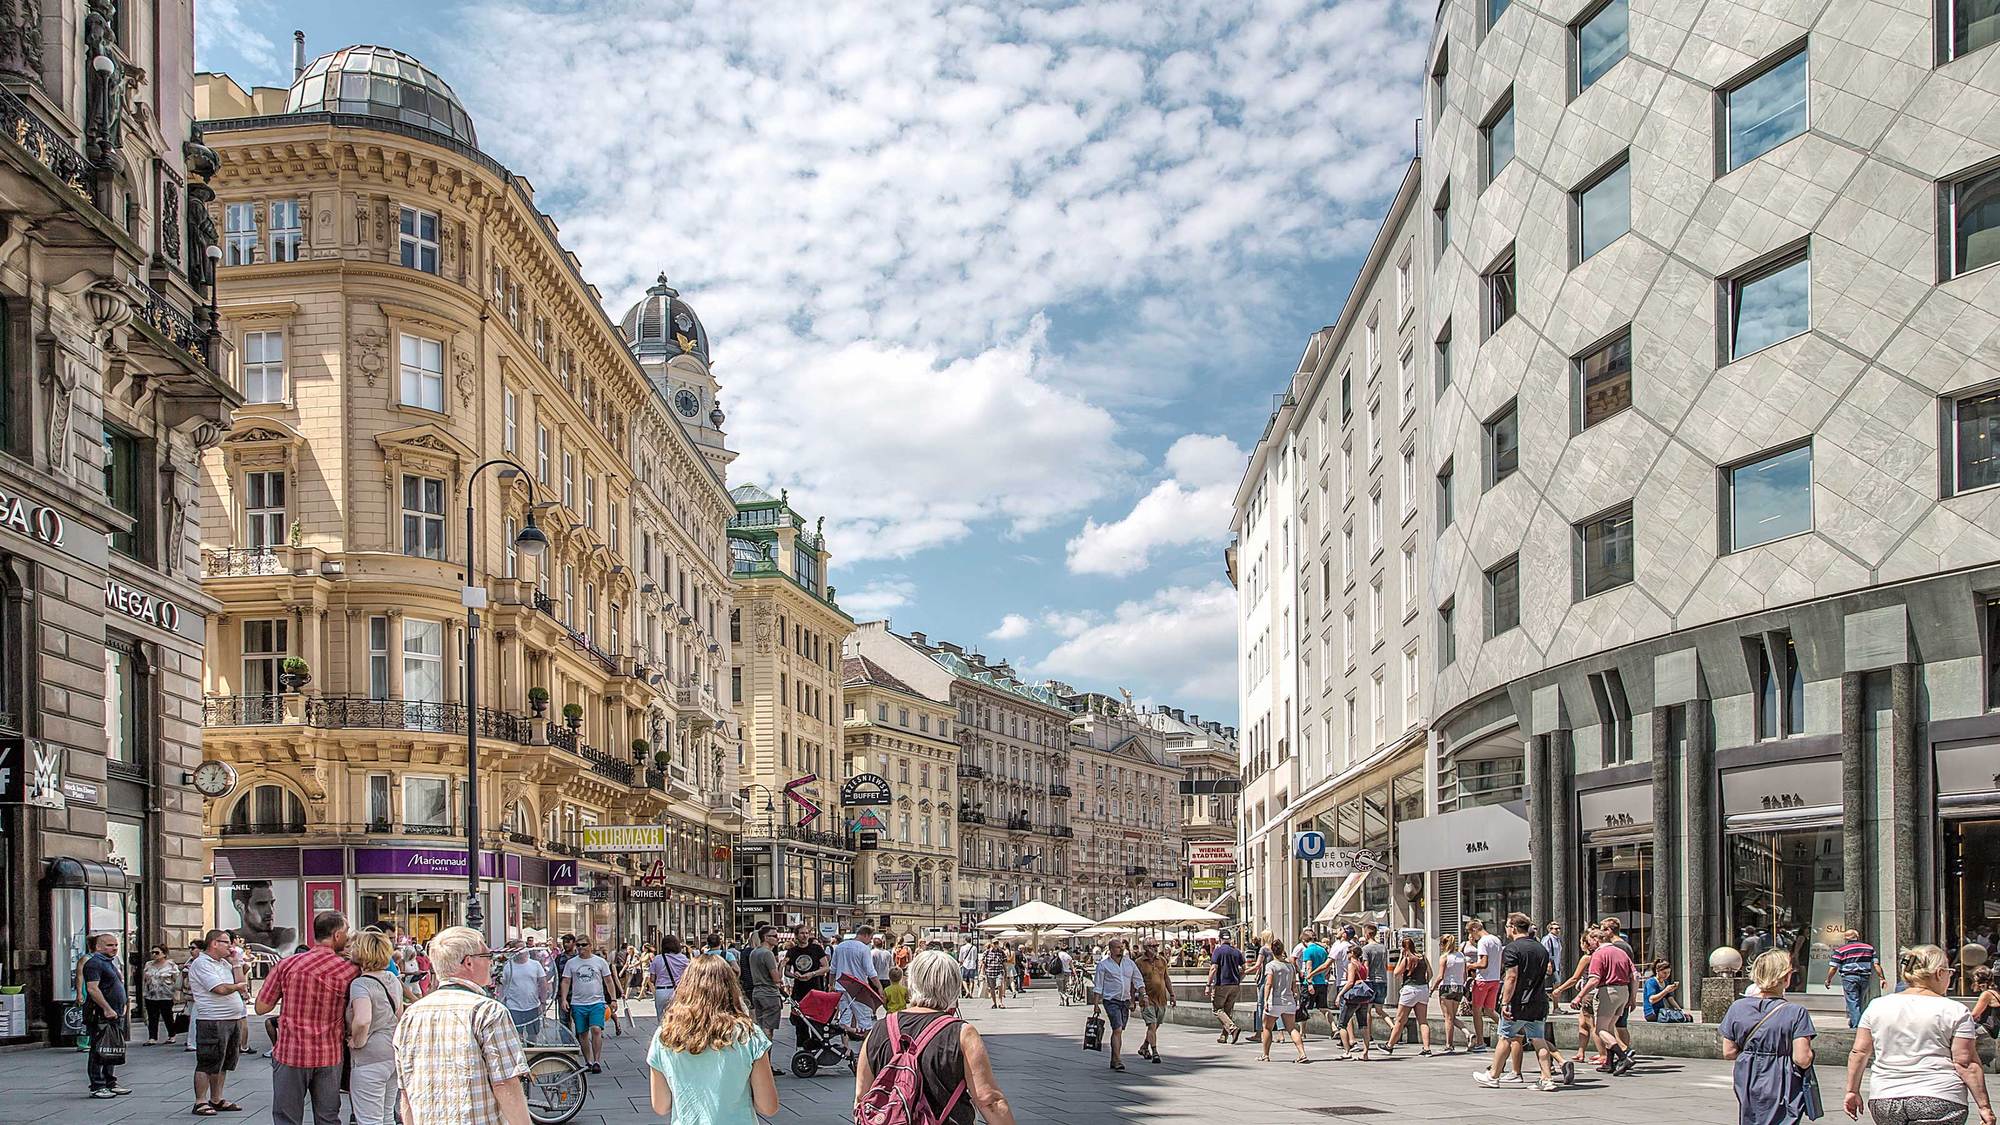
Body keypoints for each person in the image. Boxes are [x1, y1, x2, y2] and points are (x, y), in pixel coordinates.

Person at [854, 951, 1016, 1125]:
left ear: (911, 982)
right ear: (954, 985)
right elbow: (988, 1100)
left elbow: (862, 1097)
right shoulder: (962, 1033)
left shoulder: (878, 1029)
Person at [1842, 945, 1994, 1125]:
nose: (1950, 976)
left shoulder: (1876, 1006)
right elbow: (1965, 1063)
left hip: (1885, 1097)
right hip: (1939, 1096)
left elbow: (1859, 1052)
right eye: (1949, 972)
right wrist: (1984, 1106)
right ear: (1939, 973)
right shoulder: (1956, 1011)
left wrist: (1852, 1090)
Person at [393, 925, 530, 1125]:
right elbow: (506, 1083)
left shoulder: (411, 1015)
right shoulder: (488, 1011)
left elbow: (406, 1093)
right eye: (487, 956)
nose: (491, 963)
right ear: (468, 962)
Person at [642, 954, 780, 1124]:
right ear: (730, 987)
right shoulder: (749, 1035)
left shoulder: (666, 1035)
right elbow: (768, 1107)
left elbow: (661, 1106)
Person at [256, 910, 359, 1125]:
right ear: (337, 935)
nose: (348, 936)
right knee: (328, 1117)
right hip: (329, 1053)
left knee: (286, 1118)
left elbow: (261, 1007)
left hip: (290, 1052)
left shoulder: (286, 965)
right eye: (346, 932)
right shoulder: (350, 970)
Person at [1721, 950, 1817, 1125]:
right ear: (1785, 977)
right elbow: (1802, 1058)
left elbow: (1728, 1052)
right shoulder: (1796, 1012)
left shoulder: (1737, 1007)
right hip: (1782, 1077)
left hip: (1748, 1076)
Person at [1477, 912, 1567, 1091]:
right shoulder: (1541, 948)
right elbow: (1548, 971)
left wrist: (1504, 1002)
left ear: (1513, 928)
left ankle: (1493, 1075)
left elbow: (1511, 977)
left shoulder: (1512, 948)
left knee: (1505, 1037)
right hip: (1539, 1000)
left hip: (1518, 1002)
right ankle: (1547, 1078)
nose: (1506, 929)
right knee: (1538, 1039)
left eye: (1507, 926)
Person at [188, 929, 249, 1116]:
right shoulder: (201, 963)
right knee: (208, 1062)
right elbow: (220, 989)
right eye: (226, 943)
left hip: (231, 1019)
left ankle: (216, 1098)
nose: (231, 947)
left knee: (224, 1063)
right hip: (212, 1020)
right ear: (214, 943)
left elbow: (241, 983)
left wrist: (237, 963)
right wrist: (239, 987)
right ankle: (200, 1101)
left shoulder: (223, 963)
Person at [345, 930, 403, 1125]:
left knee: (369, 1119)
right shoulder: (392, 978)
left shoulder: (361, 984)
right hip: (391, 1052)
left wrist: (357, 1041)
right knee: (387, 1116)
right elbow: (399, 1015)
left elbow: (362, 1020)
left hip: (369, 1057)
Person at [1574, 923, 1638, 1075]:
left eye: (1590, 941)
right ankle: (1609, 1063)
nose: (1589, 945)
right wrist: (1633, 998)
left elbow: (1594, 979)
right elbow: (1635, 976)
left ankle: (1623, 1055)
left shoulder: (1599, 954)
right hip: (1624, 992)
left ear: (1596, 939)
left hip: (1608, 991)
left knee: (1601, 1029)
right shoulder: (1621, 952)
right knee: (1609, 1027)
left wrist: (1579, 996)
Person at [79, 932, 131, 1099]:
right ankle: (97, 1085)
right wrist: (107, 1008)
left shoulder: (109, 962)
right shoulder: (94, 963)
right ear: (98, 946)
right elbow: (93, 989)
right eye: (109, 945)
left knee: (112, 1047)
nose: (114, 948)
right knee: (98, 1048)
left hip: (115, 1013)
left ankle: (110, 1082)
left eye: (116, 945)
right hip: (102, 1014)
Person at [560, 935, 619, 1074]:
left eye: (584, 945)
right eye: (578, 945)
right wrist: (563, 999)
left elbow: (609, 980)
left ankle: (597, 1061)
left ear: (590, 945)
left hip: (597, 1001)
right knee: (582, 1033)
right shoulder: (571, 963)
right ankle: (588, 1061)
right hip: (578, 1003)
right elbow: (566, 981)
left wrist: (613, 999)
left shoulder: (600, 962)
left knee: (596, 1029)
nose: (581, 948)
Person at [1091, 937, 1146, 1071]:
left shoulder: (1129, 963)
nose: (1121, 949)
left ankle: (1113, 1058)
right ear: (1110, 949)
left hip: (1125, 1001)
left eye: (1122, 947)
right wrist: (1096, 1004)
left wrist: (1143, 995)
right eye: (1117, 947)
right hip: (1111, 1001)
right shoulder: (1103, 965)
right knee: (1117, 1029)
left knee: (1120, 1030)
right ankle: (1117, 1060)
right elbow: (1098, 985)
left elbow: (1138, 980)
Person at [742, 927, 784, 1077]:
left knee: (760, 1028)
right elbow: (776, 978)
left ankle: (759, 1061)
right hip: (769, 993)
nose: (777, 938)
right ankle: (766, 1064)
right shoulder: (767, 954)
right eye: (774, 936)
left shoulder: (754, 952)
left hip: (757, 992)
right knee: (768, 1030)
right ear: (765, 937)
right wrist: (782, 965)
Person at [1828, 928, 1891, 1030]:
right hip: (1864, 977)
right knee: (1861, 1000)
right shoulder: (1869, 948)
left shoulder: (1841, 950)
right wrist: (1881, 977)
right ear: (1857, 936)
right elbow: (1876, 964)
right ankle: (1854, 1021)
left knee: (1852, 1000)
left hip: (1849, 977)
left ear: (1845, 938)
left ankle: (1857, 1026)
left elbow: (1833, 967)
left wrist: (1828, 979)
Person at [1259, 937, 1308, 1063]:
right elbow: (1294, 985)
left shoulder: (1271, 966)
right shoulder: (1290, 966)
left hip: (1275, 1001)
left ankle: (1265, 1055)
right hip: (1289, 1000)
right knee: (1291, 1028)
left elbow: (1269, 984)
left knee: (1267, 1027)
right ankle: (1302, 1053)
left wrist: (1265, 1000)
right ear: (1282, 950)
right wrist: (1296, 996)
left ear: (1272, 951)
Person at [1387, 934, 1434, 1055]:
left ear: (1404, 948)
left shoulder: (1407, 959)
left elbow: (1396, 973)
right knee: (1423, 1021)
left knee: (1400, 1020)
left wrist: (1400, 959)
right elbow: (1430, 973)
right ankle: (1427, 1048)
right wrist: (1425, 983)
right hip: (1423, 989)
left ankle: (1390, 1045)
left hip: (1409, 990)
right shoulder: (1422, 957)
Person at [1134, 939, 1176, 1063]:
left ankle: (1144, 1047)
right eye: (1153, 946)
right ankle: (1155, 1052)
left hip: (1161, 998)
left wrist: (1172, 994)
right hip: (1147, 999)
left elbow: (1166, 978)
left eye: (1157, 945)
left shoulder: (1162, 960)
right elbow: (1134, 981)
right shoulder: (1139, 962)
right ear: (1146, 947)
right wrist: (1132, 999)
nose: (1156, 948)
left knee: (1155, 1025)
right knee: (1151, 1025)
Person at [1466, 918, 1504, 1052]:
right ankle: (1509, 1032)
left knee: (1476, 1011)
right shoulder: (1496, 939)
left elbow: (1483, 963)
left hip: (1483, 979)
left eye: (1471, 932)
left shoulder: (1483, 941)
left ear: (1475, 929)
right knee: (1490, 1010)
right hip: (1495, 979)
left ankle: (1480, 1042)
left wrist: (1470, 965)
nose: (1472, 937)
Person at [230, 880, 297, 955]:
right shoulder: (227, 937)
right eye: (261, 904)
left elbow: (282, 954)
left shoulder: (285, 934)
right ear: (240, 906)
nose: (270, 911)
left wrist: (246, 948)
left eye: (272, 903)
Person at [1334, 932, 1373, 1062]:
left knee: (1342, 1024)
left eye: (1348, 953)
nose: (1347, 955)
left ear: (1352, 954)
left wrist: (1340, 994)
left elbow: (1350, 982)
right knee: (1363, 1025)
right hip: (1363, 997)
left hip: (1353, 997)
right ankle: (1365, 1052)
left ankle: (1347, 1051)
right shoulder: (1362, 966)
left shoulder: (1352, 965)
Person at [1207, 933, 1246, 1044]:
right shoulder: (1236, 952)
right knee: (1227, 1011)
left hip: (1222, 984)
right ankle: (1224, 1036)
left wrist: (1208, 985)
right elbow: (1244, 969)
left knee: (1217, 1009)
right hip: (1235, 985)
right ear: (1230, 939)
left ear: (1220, 939)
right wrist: (1239, 979)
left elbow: (1213, 968)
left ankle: (1233, 1029)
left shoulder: (1218, 951)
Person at [139, 944, 181, 1046]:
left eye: (157, 953)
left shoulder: (171, 965)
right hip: (151, 994)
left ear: (164, 954)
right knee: (152, 1016)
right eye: (152, 952)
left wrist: (177, 994)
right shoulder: (148, 964)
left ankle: (172, 1035)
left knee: (167, 1016)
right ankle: (152, 1037)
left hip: (166, 994)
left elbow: (177, 980)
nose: (154, 955)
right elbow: (144, 979)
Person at [1435, 933, 1469, 1054]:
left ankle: (1449, 1044)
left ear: (1444, 944)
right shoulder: (1461, 955)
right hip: (1459, 988)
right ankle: (1467, 1033)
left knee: (1448, 1018)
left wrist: (1432, 988)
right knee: (1452, 1017)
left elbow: (1440, 976)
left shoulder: (1444, 957)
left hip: (1447, 987)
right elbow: (1465, 975)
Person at [652, 935, 692, 1020]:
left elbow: (652, 978)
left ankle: (663, 1032)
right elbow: (690, 972)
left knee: (661, 1020)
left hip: (660, 991)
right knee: (677, 1019)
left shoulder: (657, 959)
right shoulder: (682, 958)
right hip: (676, 991)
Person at [1296, 929, 1330, 1023]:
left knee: (1304, 1008)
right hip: (1322, 982)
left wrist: (1309, 983)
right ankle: (1334, 1028)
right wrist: (1324, 976)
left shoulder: (1307, 951)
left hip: (1310, 983)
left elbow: (1309, 968)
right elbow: (1327, 966)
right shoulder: (1323, 950)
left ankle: (1302, 1033)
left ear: (1303, 941)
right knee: (1324, 1008)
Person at [981, 940, 1008, 1009]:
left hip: (999, 972)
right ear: (991, 944)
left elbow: (1004, 963)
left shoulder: (1001, 952)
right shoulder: (986, 952)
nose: (996, 944)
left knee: (999, 985)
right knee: (992, 988)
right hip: (989, 972)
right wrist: (982, 973)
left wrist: (1006, 972)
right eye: (994, 943)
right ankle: (994, 1003)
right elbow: (983, 964)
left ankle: (1000, 1002)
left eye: (997, 943)